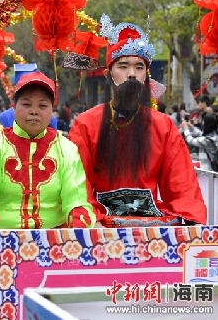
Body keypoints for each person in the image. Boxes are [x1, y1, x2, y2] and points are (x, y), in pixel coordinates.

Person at [68, 15, 207, 225]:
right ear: (108, 74)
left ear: (146, 76)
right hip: (101, 226)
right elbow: (78, 188)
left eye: (139, 67)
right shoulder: (85, 125)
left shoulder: (163, 126)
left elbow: (183, 188)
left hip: (151, 228)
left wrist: (184, 221)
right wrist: (92, 222)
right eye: (123, 66)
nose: (131, 74)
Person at [0, 72, 95, 229]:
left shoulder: (66, 149)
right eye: (27, 104)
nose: (34, 111)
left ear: (52, 110)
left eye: (42, 105)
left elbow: (76, 199)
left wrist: (77, 237)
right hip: (4, 238)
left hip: (55, 241)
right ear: (13, 107)